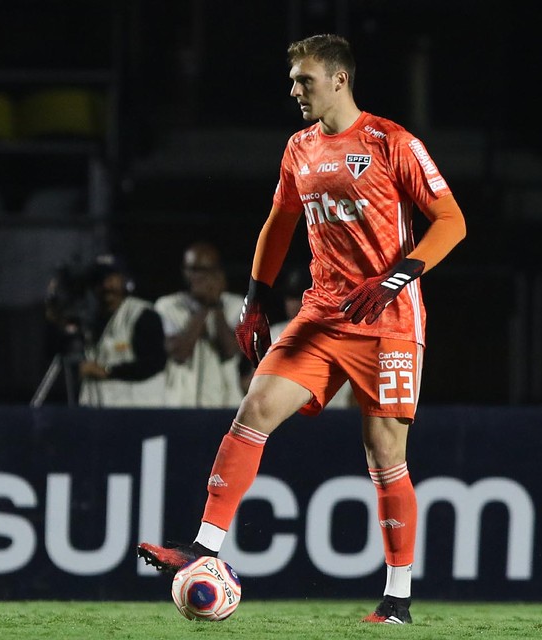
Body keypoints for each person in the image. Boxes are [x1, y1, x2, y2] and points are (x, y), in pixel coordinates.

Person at [137, 34, 466, 625]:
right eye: (292, 81)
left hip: (388, 320)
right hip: (321, 312)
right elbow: (279, 222)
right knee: (256, 405)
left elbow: (452, 221)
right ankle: (204, 547)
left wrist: (396, 279)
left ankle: (397, 600)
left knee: (385, 452)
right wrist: (256, 300)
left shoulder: (392, 143)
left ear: (339, 79)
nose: (295, 90)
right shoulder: (299, 148)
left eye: (304, 80)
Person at [154, 241, 245, 408]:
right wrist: (203, 308)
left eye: (207, 271)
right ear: (184, 272)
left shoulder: (236, 305)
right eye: (193, 270)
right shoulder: (167, 305)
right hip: (179, 404)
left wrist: (216, 305)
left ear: (218, 273)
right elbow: (180, 352)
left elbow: (230, 350)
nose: (199, 277)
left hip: (224, 404)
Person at [76, 254, 168, 407]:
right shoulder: (90, 321)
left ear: (124, 280)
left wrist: (107, 371)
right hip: (103, 411)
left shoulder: (141, 314)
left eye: (112, 278)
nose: (106, 285)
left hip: (141, 411)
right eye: (100, 279)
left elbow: (154, 362)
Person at [269, 267, 353, 408]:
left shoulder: (343, 332)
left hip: (336, 414)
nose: (294, 303)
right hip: (290, 414)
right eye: (290, 297)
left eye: (300, 296)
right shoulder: (275, 332)